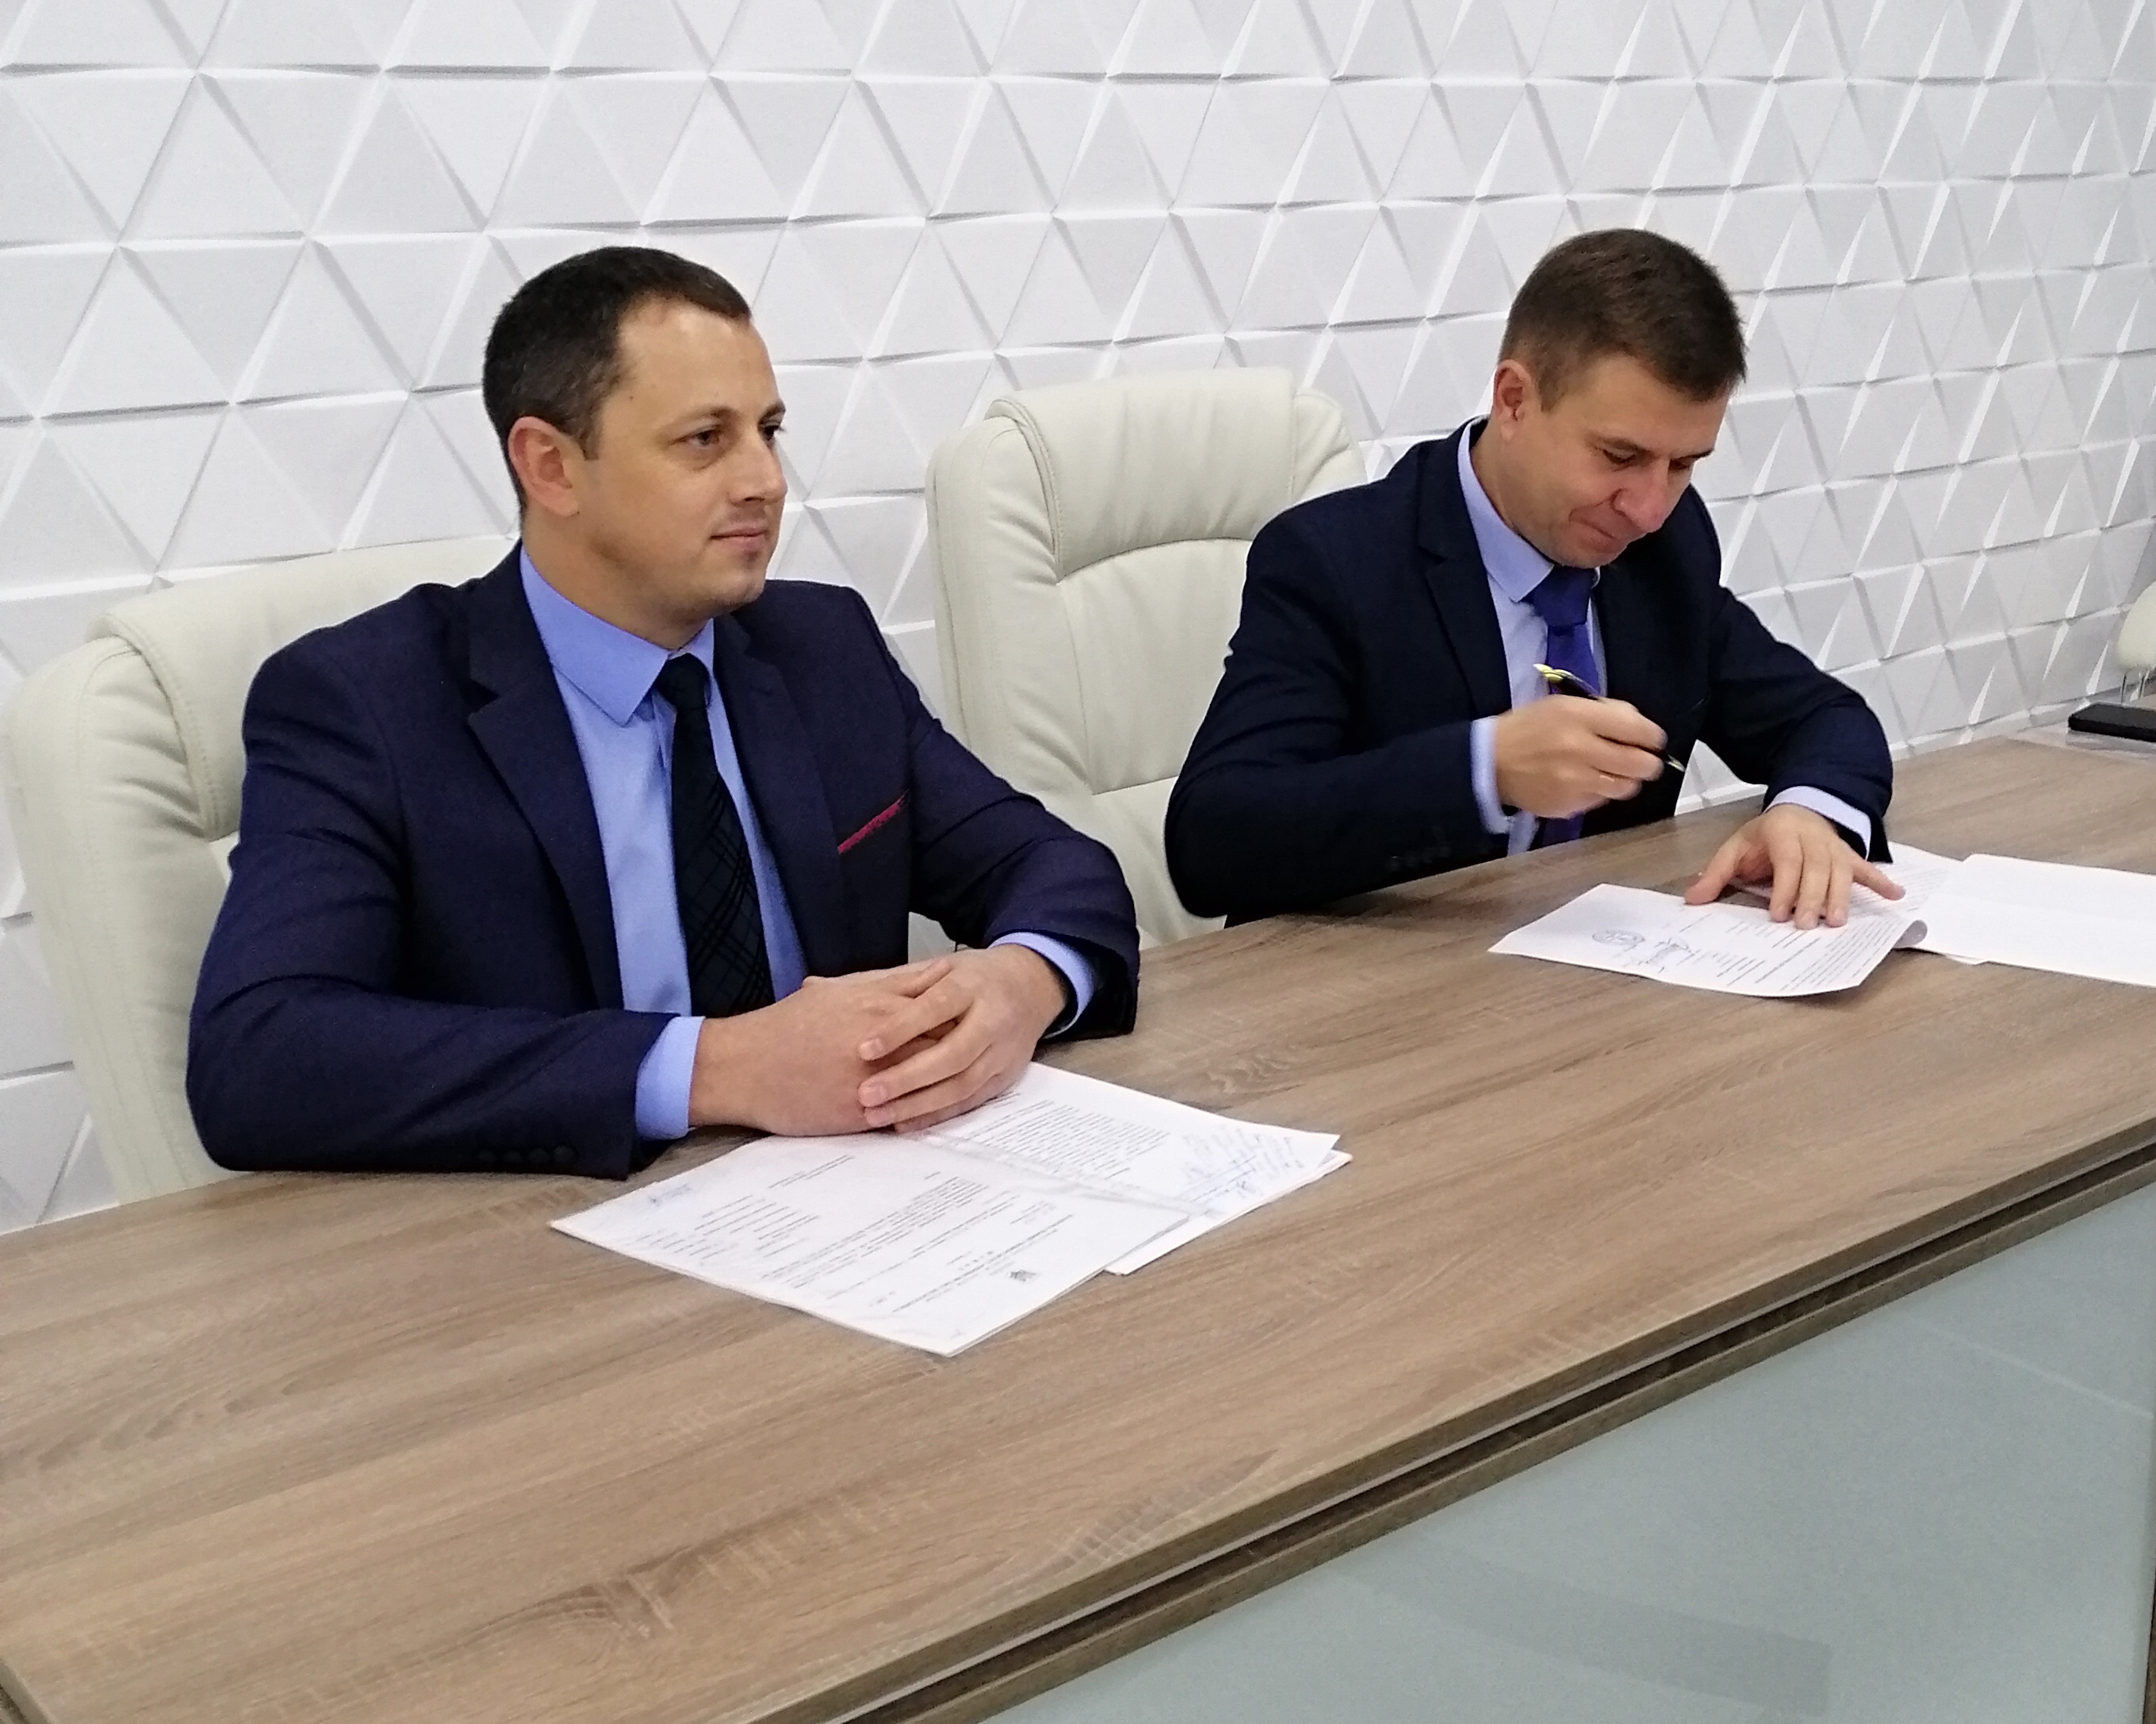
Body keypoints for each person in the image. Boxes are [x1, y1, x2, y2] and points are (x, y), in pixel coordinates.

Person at [188, 247, 1139, 1178]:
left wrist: (1021, 983)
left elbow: (1056, 866)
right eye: (705, 440)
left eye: (769, 430)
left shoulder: (822, 647)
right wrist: (716, 1069)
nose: (765, 480)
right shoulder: (364, 704)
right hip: (547, 1238)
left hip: (857, 1199)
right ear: (551, 467)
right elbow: (259, 1053)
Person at [1165, 228, 1896, 926]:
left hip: (1595, 983)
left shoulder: (1665, 552)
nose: (1649, 509)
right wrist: (1485, 771)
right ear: (1514, 400)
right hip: (1380, 991)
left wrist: (1808, 813)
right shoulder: (1334, 561)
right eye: (1619, 457)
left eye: (1682, 465)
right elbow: (1212, 840)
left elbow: (1825, 719)